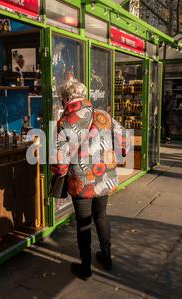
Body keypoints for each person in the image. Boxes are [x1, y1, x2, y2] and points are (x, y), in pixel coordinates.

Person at [51, 79, 127, 280]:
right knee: (101, 215)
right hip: (105, 176)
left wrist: (58, 175)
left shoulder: (64, 123)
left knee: (83, 222)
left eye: (62, 98)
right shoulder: (103, 114)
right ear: (83, 96)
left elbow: (60, 164)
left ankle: (85, 268)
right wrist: (116, 157)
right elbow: (122, 137)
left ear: (66, 98)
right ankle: (107, 257)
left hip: (81, 181)